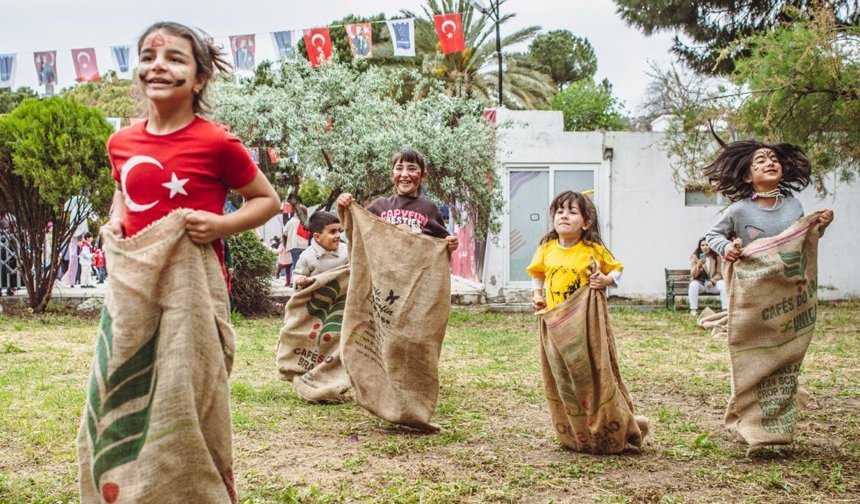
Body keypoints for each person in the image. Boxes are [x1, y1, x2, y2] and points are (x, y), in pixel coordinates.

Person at [104, 22, 281, 276]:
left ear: (199, 79)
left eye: (175, 59)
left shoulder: (218, 142)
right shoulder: (119, 142)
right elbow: (122, 189)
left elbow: (268, 200)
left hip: (195, 280)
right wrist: (117, 220)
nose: (158, 64)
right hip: (133, 276)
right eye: (148, 57)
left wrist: (222, 225)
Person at [703, 140, 833, 261]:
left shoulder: (794, 206)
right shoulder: (739, 210)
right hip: (752, 282)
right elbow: (713, 235)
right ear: (748, 177)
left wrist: (820, 226)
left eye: (774, 159)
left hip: (789, 281)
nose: (770, 163)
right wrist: (726, 248)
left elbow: (803, 238)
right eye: (761, 161)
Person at [335, 148, 458, 254]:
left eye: (412, 168)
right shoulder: (379, 205)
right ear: (392, 174)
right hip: (384, 276)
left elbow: (443, 242)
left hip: (416, 277)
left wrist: (451, 244)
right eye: (399, 168)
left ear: (423, 175)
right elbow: (354, 231)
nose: (404, 174)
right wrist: (342, 207)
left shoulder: (430, 209)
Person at [526, 190, 622, 311]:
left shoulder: (594, 250)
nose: (564, 216)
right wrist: (537, 295)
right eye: (560, 211)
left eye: (572, 212)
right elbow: (537, 274)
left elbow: (616, 269)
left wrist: (607, 280)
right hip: (555, 317)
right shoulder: (545, 250)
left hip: (584, 317)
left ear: (586, 224)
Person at [292, 211, 348, 289]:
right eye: (333, 232)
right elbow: (297, 275)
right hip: (318, 298)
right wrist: (299, 280)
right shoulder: (307, 257)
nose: (338, 235)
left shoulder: (346, 250)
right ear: (317, 237)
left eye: (339, 231)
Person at [688, 237, 727, 315]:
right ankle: (694, 309)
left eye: (707, 245)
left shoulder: (716, 257)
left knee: (723, 284)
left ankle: (726, 309)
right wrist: (698, 265)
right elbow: (693, 274)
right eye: (702, 245)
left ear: (711, 246)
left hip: (712, 285)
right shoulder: (695, 257)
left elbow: (719, 273)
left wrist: (712, 281)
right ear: (700, 247)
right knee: (693, 285)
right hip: (701, 284)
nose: (705, 247)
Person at [283, 206, 309, 276]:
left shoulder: (291, 221)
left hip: (294, 245)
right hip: (305, 246)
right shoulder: (306, 221)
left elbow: (285, 232)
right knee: (304, 264)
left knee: (296, 263)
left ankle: (294, 281)